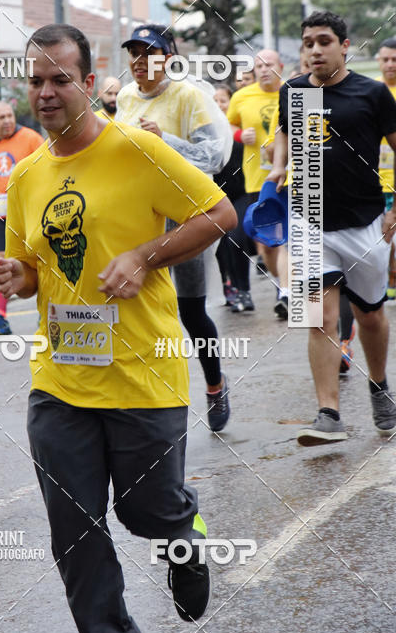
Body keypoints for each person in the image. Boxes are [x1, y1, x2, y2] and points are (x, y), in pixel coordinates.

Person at [0, 23, 236, 633]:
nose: (46, 92)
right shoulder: (26, 176)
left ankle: (184, 535)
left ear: (89, 83)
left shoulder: (137, 148)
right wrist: (17, 276)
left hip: (142, 372)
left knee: (146, 510)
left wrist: (143, 256)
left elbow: (219, 214)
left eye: (60, 79)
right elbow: (30, 269)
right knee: (74, 529)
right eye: (36, 81)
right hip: (60, 381)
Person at [269, 10, 396, 445]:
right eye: (308, 43)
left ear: (344, 46)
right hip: (308, 218)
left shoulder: (372, 93)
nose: (315, 50)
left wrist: (394, 210)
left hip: (364, 222)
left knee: (370, 315)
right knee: (318, 317)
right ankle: (328, 413)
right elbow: (285, 132)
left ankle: (379, 384)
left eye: (324, 41)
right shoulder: (294, 91)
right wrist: (279, 165)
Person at [116, 25, 231, 432]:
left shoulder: (188, 96)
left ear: (168, 58)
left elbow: (213, 157)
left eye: (149, 53)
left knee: (191, 311)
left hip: (186, 218)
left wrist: (165, 140)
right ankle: (146, 400)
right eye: (134, 53)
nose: (140, 61)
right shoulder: (126, 98)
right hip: (138, 217)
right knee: (140, 308)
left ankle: (215, 385)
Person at [226, 50, 289, 317]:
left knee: (287, 238)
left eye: (268, 64)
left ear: (280, 66)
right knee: (267, 243)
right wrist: (240, 134)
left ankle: (286, 291)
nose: (263, 69)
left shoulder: (292, 92)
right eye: (259, 66)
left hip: (291, 176)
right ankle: (281, 283)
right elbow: (227, 126)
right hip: (258, 180)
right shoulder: (242, 97)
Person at [0, 100, 43, 335]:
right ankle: (0, 318)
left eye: (9, 116)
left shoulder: (31, 138)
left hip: (29, 212)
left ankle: (45, 313)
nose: (7, 121)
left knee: (40, 260)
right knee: (0, 263)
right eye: (1, 117)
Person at [213, 84, 246, 306]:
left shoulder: (240, 129)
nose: (218, 105)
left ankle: (243, 289)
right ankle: (229, 285)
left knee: (236, 239)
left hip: (241, 192)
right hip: (216, 195)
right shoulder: (206, 130)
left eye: (223, 101)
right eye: (214, 101)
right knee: (219, 245)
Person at [376, 36, 396, 299]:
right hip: (377, 179)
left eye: (395, 60)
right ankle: (390, 276)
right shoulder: (372, 92)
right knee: (384, 235)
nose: (390, 64)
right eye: (386, 59)